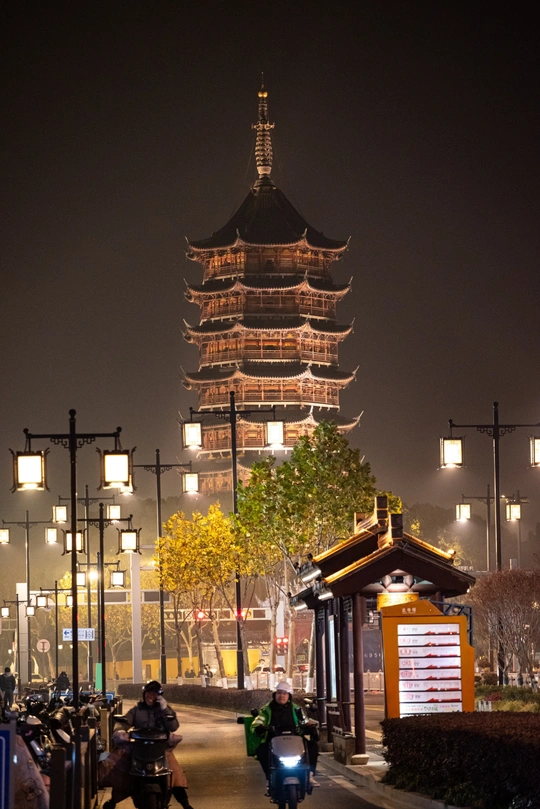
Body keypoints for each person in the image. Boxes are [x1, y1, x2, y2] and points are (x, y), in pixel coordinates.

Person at [103, 680, 194, 809]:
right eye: (148, 693)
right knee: (122, 770)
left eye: (154, 693)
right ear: (144, 694)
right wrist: (120, 730)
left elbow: (173, 726)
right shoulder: (137, 710)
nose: (150, 696)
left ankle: (185, 803)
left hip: (161, 749)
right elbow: (124, 722)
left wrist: (165, 708)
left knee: (174, 772)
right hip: (139, 749)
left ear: (159, 695)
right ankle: (113, 800)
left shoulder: (164, 710)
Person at [250, 680, 320, 789]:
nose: (281, 695)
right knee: (261, 750)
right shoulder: (266, 710)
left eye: (284, 693)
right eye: (279, 693)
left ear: (289, 696)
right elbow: (257, 723)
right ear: (274, 695)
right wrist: (260, 728)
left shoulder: (297, 709)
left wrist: (309, 727)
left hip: (295, 740)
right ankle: (269, 777)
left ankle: (309, 775)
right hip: (273, 740)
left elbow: (304, 722)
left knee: (312, 746)